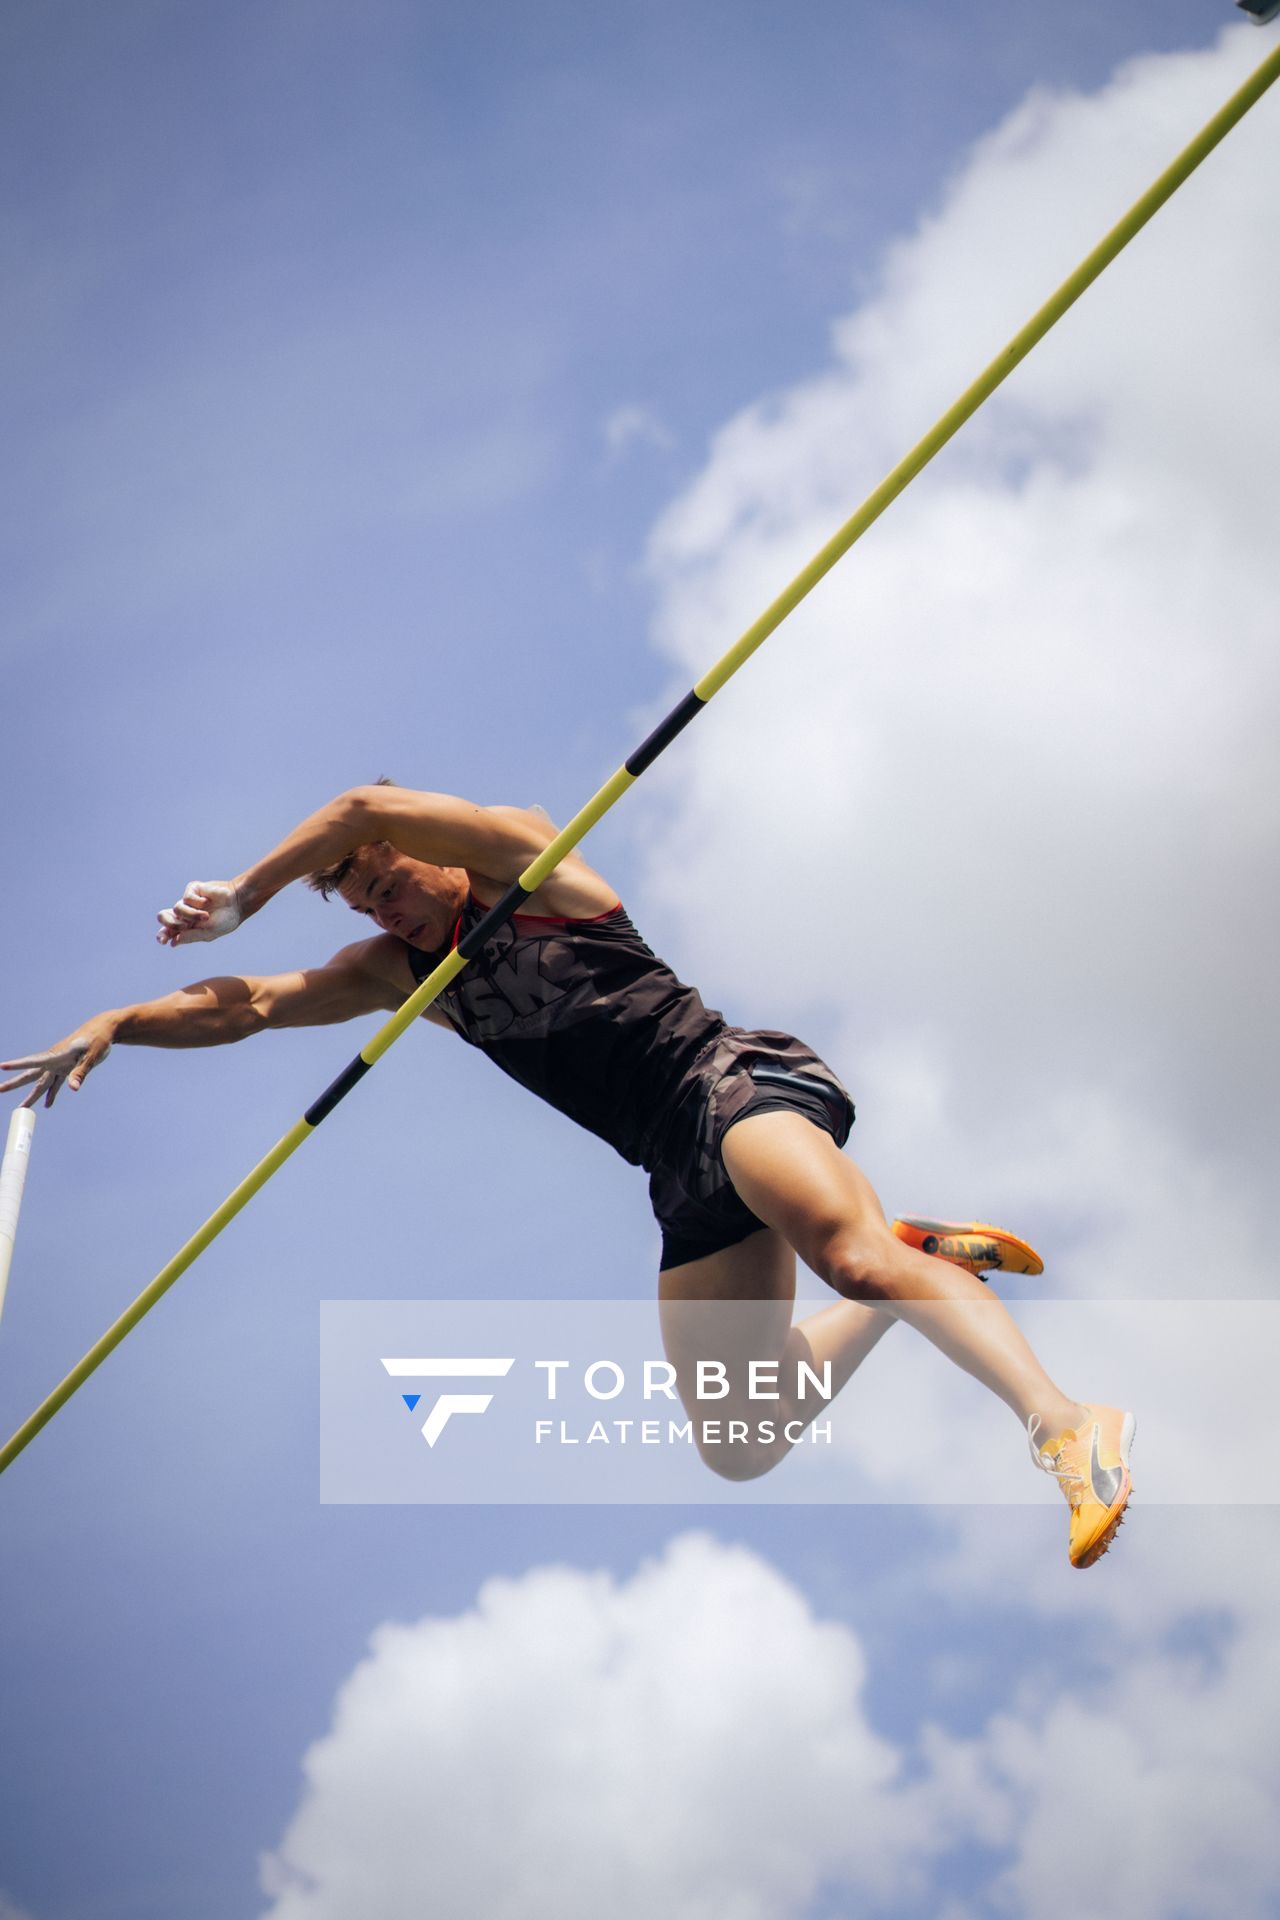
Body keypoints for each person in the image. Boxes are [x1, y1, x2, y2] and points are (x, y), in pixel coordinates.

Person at [0, 781, 1134, 1564]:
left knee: (846, 1257)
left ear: (433, 847)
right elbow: (247, 1006)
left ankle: (1063, 1424)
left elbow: (357, 808)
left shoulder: (526, 854)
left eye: (390, 883)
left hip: (729, 1086)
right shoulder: (403, 971)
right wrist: (117, 1019)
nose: (387, 908)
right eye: (367, 903)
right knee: (740, 1438)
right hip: (671, 1167)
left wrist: (240, 894)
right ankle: (915, 1260)